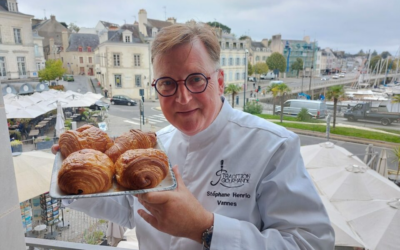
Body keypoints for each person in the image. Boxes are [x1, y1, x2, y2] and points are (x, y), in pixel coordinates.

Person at [53, 22, 334, 249]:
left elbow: (310, 243)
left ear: (220, 81)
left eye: (196, 79)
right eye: (167, 83)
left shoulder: (273, 147)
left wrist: (204, 228)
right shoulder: (154, 147)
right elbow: (130, 210)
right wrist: (67, 178)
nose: (183, 98)